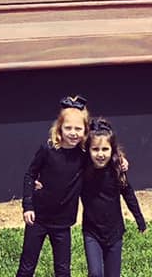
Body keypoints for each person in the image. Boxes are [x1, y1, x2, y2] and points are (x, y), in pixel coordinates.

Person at [15, 94, 90, 277]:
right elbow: (30, 175)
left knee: (63, 270)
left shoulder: (84, 154)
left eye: (78, 129)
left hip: (63, 223)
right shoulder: (48, 149)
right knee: (27, 267)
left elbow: (105, 141)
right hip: (38, 219)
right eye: (68, 128)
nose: (73, 133)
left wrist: (121, 159)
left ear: (85, 131)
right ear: (59, 128)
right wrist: (28, 206)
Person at [80, 117, 146, 277]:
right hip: (92, 232)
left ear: (112, 149)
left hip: (115, 232)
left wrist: (139, 218)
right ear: (88, 150)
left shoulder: (117, 171)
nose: (100, 154)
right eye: (95, 149)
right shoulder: (81, 170)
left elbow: (128, 194)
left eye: (105, 149)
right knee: (95, 274)